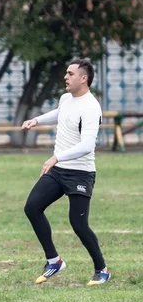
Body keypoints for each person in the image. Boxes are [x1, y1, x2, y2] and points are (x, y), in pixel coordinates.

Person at [22, 58, 110, 286]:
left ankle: (102, 269)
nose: (65, 77)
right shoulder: (66, 99)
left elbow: (87, 145)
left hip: (80, 173)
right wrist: (36, 120)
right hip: (58, 170)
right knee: (32, 207)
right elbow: (61, 113)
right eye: (66, 73)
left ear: (84, 78)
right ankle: (54, 260)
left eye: (70, 73)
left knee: (79, 224)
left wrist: (56, 156)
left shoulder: (91, 107)